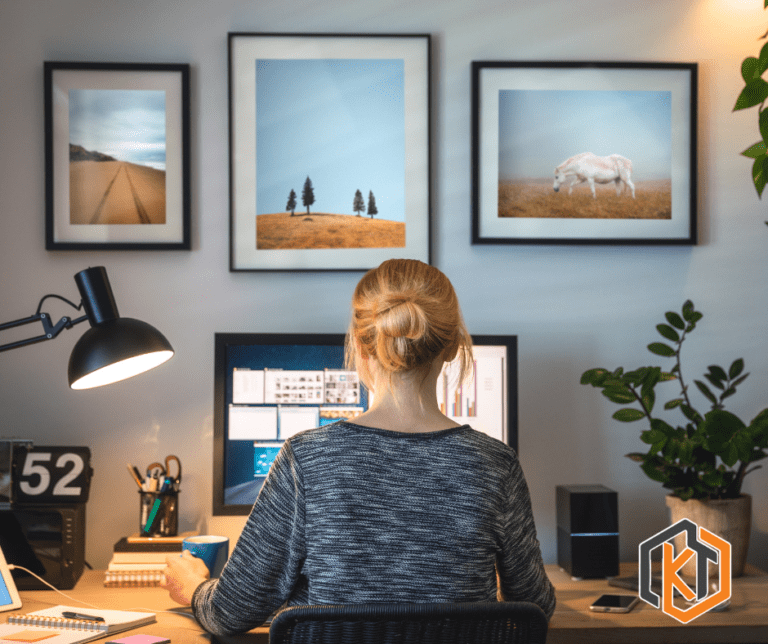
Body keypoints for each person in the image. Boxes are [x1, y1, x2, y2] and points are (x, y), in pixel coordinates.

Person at [162, 259, 556, 634]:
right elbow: (535, 606)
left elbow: (231, 612)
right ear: (453, 347)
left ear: (362, 347)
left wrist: (195, 587)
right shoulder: (496, 464)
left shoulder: (306, 458)